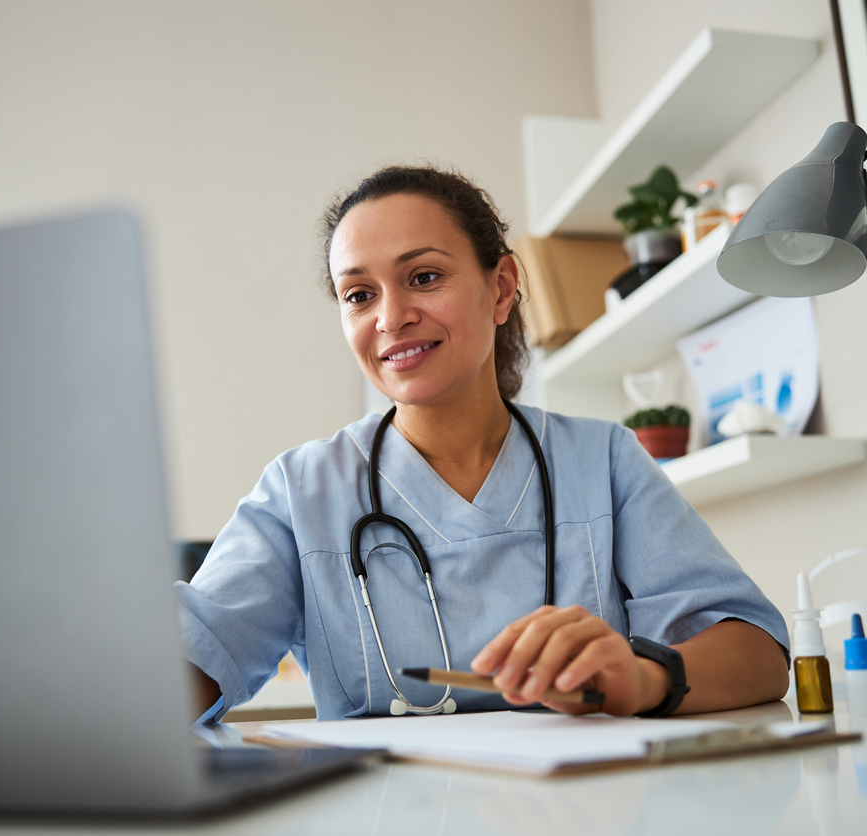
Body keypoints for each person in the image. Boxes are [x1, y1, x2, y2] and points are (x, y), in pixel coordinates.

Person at [177, 166, 789, 720]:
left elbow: (757, 653)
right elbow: (189, 664)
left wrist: (644, 677)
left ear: (500, 289)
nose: (390, 318)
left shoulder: (602, 461)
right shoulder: (301, 491)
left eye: (424, 276)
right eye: (358, 295)